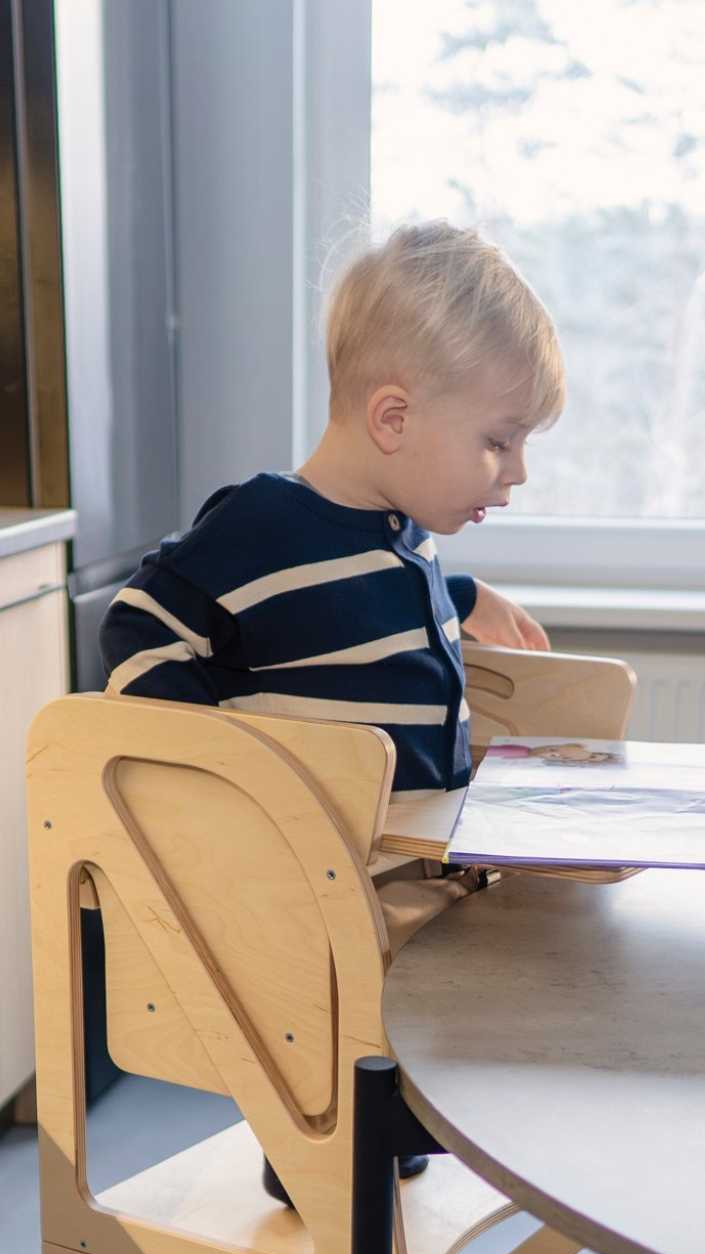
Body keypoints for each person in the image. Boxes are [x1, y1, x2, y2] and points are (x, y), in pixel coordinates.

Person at [100, 219, 564, 1203]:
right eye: (497, 441)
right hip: (320, 894)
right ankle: (326, 1151)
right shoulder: (264, 523)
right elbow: (139, 621)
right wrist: (214, 765)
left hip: (408, 875)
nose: (514, 473)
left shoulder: (394, 536)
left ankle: (387, 1138)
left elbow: (359, 603)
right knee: (364, 1038)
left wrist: (462, 592)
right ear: (391, 417)